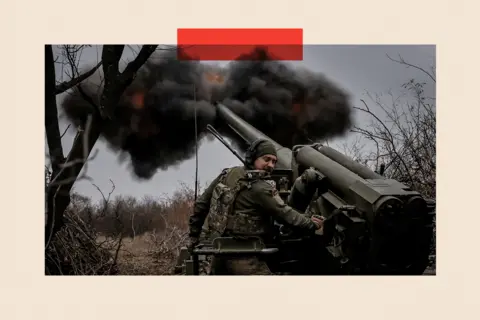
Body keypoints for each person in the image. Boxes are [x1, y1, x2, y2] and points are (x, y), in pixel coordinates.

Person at [187, 138, 324, 275]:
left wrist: (194, 235)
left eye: (274, 161)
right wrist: (310, 223)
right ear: (253, 158)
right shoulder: (261, 187)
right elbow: (285, 214)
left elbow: (201, 204)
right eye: (266, 159)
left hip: (217, 251)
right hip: (245, 255)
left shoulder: (227, 174)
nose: (271, 165)